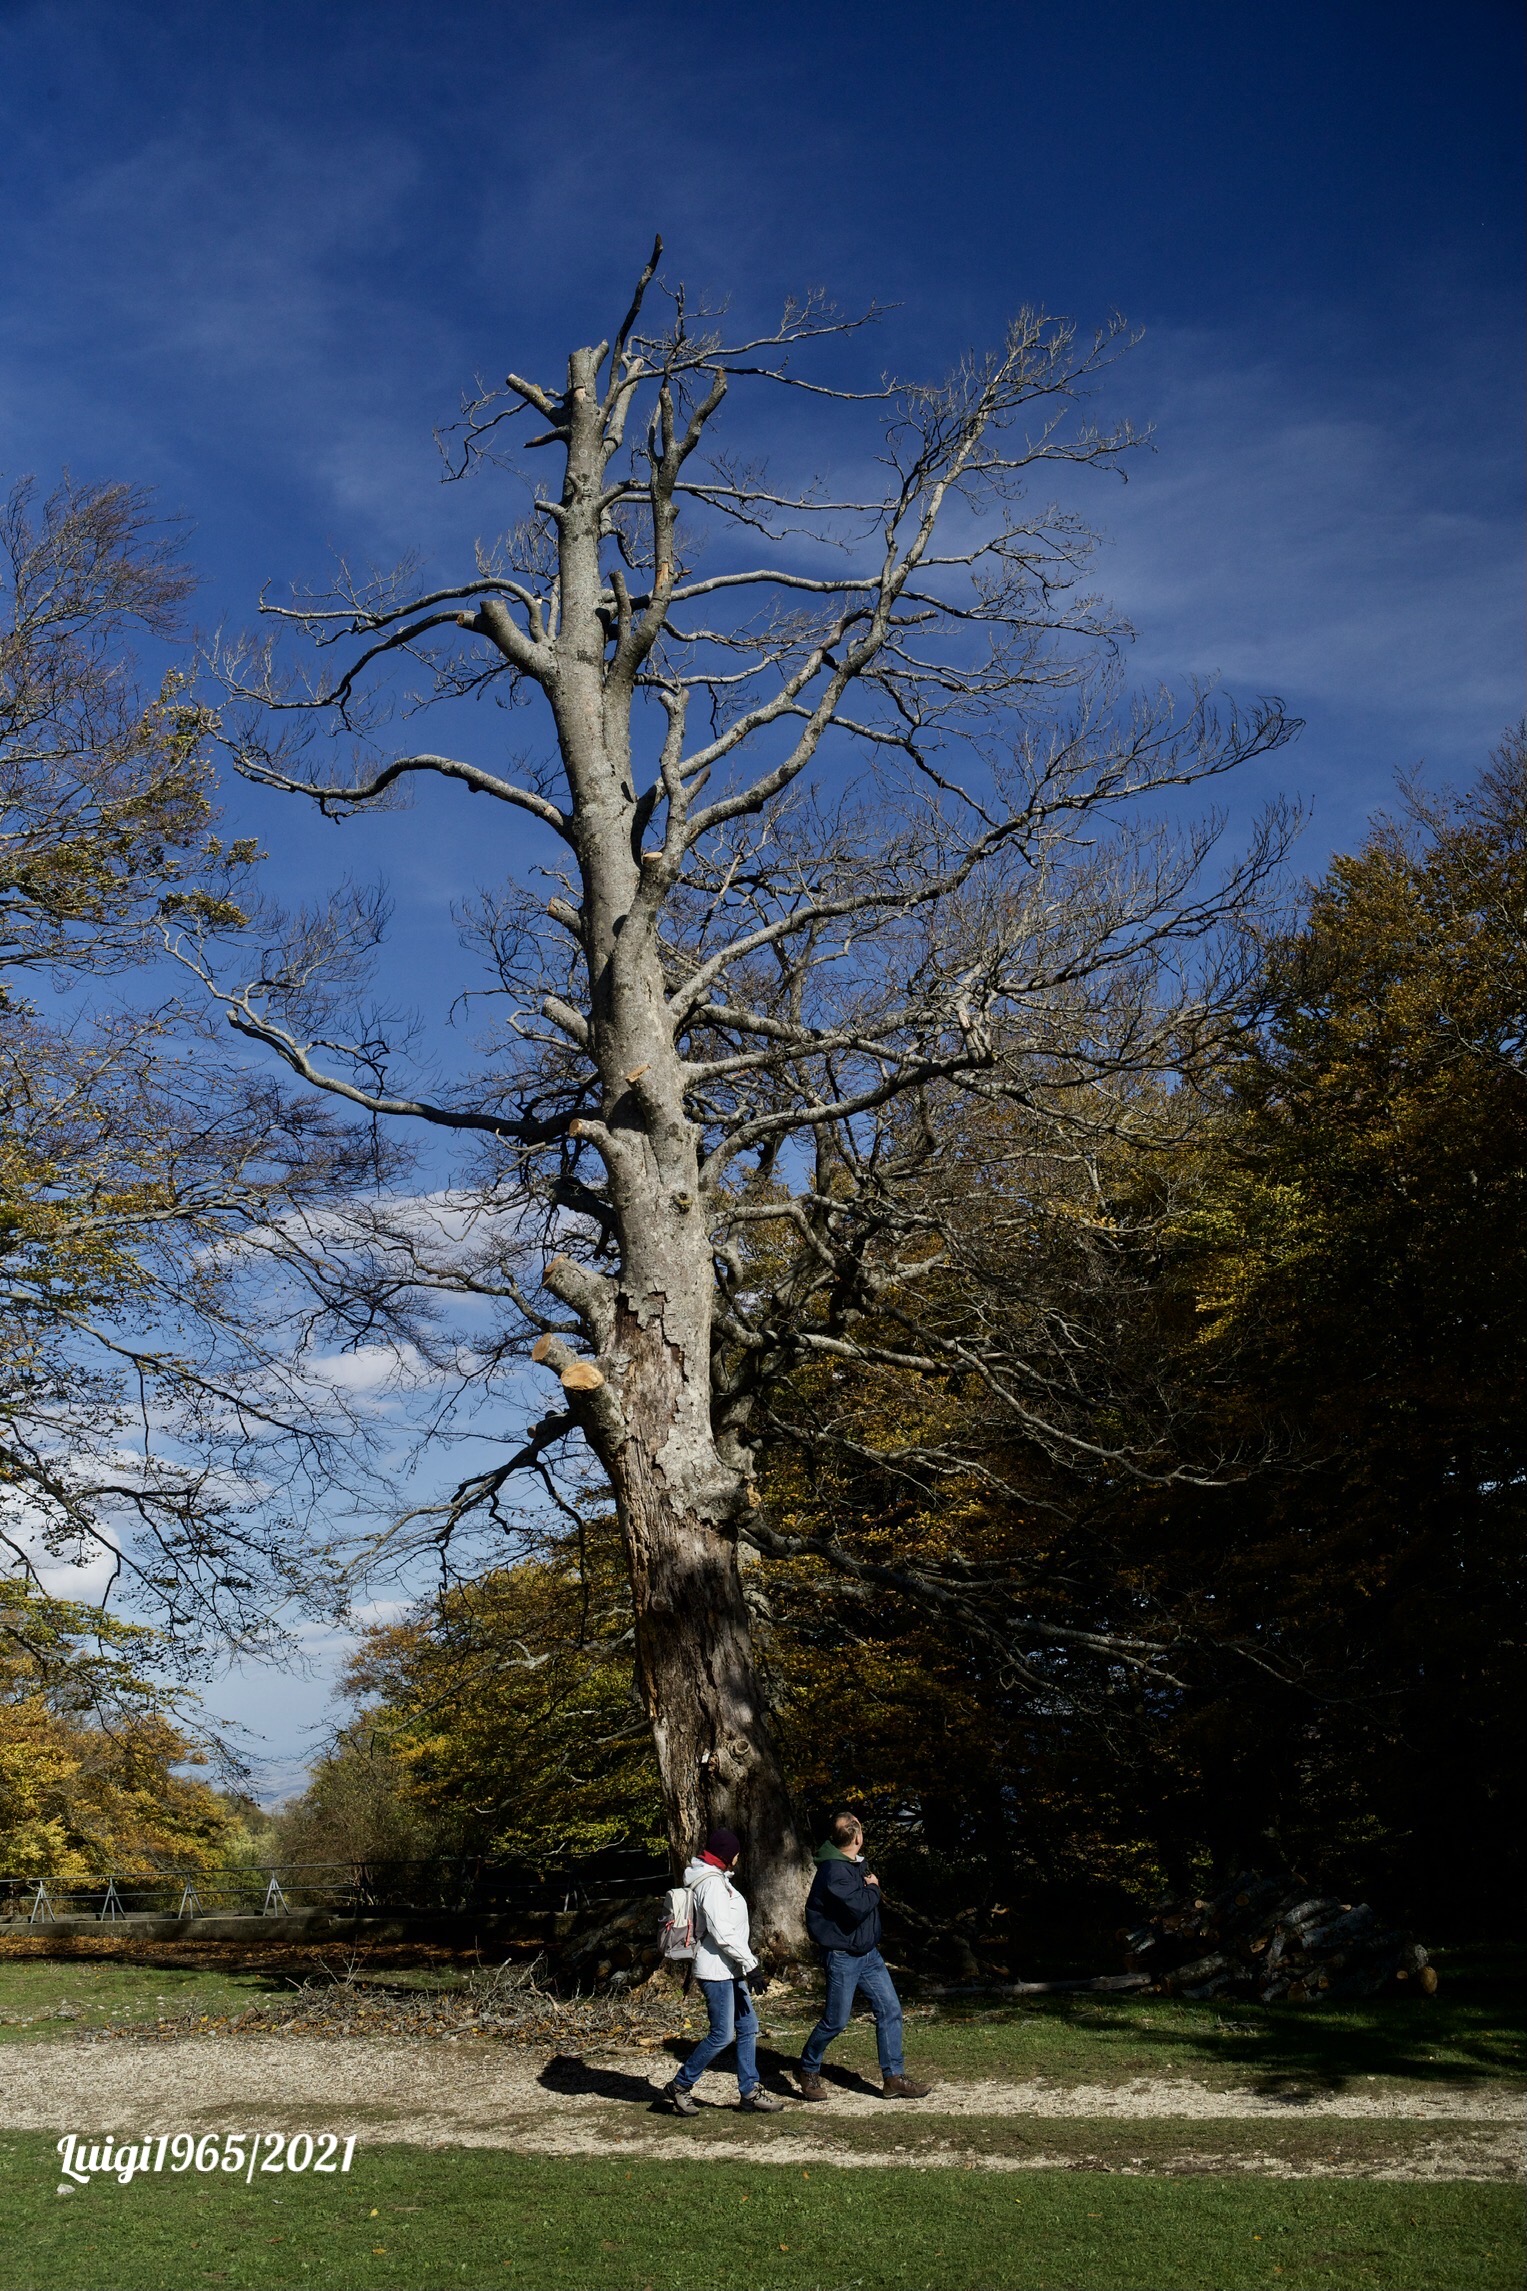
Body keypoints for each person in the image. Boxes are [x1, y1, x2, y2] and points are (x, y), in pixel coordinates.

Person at [795, 1811, 932, 2101]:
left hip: (868, 1953)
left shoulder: (853, 1863)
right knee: (835, 2021)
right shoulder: (834, 1871)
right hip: (844, 1955)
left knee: (890, 2009)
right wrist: (874, 1888)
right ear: (857, 1837)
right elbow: (857, 1907)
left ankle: (893, 2077)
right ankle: (808, 2068)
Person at [663, 1827, 785, 2116]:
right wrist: (751, 1964)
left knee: (747, 2027)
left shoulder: (715, 1879)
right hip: (716, 1970)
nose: (738, 1858)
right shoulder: (712, 1884)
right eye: (736, 1854)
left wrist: (744, 1965)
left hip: (729, 1968)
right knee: (721, 2034)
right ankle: (680, 2085)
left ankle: (749, 2092)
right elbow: (721, 1932)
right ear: (728, 1856)